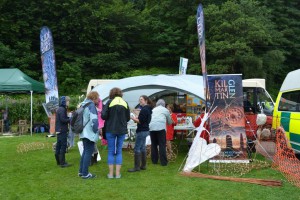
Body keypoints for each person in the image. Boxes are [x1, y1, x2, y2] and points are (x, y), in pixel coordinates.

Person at [101, 87, 130, 179]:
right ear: (120, 94)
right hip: (121, 130)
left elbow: (103, 116)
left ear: (111, 94)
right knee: (119, 151)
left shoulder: (109, 102)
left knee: (110, 151)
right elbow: (128, 118)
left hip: (110, 129)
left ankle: (110, 174)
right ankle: (117, 174)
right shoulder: (125, 103)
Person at [128, 95, 153, 172]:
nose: (140, 101)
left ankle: (136, 167)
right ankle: (143, 165)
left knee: (137, 148)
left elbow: (140, 121)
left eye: (141, 99)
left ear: (146, 100)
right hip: (146, 130)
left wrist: (132, 118)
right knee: (142, 147)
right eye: (139, 100)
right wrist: (137, 117)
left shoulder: (144, 109)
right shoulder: (148, 109)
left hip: (141, 130)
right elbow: (143, 119)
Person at [78, 91, 99, 179]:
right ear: (94, 98)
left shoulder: (83, 104)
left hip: (83, 131)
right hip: (89, 133)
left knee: (85, 152)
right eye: (97, 98)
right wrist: (96, 131)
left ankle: (81, 171)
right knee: (88, 152)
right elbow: (94, 121)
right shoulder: (91, 105)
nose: (98, 100)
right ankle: (85, 174)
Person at [149, 99, 172, 166]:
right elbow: (169, 122)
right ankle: (163, 162)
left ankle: (154, 161)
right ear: (164, 105)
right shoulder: (165, 110)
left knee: (154, 144)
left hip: (152, 128)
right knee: (162, 145)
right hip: (161, 128)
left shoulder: (153, 110)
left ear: (157, 104)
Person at [55, 96, 71, 167]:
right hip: (62, 130)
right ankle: (62, 163)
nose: (69, 103)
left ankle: (58, 161)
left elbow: (63, 118)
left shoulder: (60, 109)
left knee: (59, 145)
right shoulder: (62, 109)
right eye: (68, 101)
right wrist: (70, 119)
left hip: (59, 129)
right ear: (65, 102)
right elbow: (63, 119)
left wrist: (68, 118)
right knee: (63, 146)